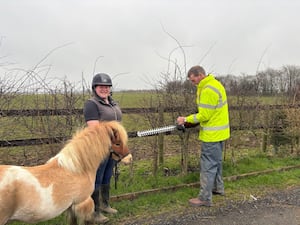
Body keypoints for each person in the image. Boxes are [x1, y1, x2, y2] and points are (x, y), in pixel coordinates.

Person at [177, 65, 230, 207]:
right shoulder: (215, 84)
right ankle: (217, 188)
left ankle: (205, 198)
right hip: (220, 133)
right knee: (216, 162)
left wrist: (186, 120)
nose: (193, 83)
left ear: (200, 75)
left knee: (207, 165)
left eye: (194, 80)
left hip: (211, 135)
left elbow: (204, 115)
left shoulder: (207, 90)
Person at [83, 73, 132, 223]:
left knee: (107, 175)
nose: (104, 89)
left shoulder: (113, 103)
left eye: (107, 87)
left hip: (113, 148)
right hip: (100, 147)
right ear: (95, 88)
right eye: (101, 87)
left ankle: (105, 204)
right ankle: (94, 212)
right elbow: (94, 128)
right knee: (97, 178)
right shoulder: (92, 104)